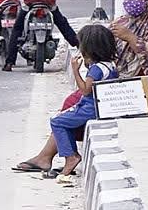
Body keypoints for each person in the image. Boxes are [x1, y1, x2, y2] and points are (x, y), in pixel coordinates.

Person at [11, 0, 148, 174]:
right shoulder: (124, 21)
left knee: (75, 105)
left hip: (146, 89)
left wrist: (131, 38)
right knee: (73, 102)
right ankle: (51, 157)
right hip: (118, 82)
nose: (130, 0)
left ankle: (52, 157)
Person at [50, 25, 118, 180]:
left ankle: (70, 156)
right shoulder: (110, 65)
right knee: (63, 120)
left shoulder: (96, 69)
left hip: (89, 107)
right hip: (101, 106)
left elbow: (86, 90)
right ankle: (70, 154)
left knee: (57, 121)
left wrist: (75, 70)